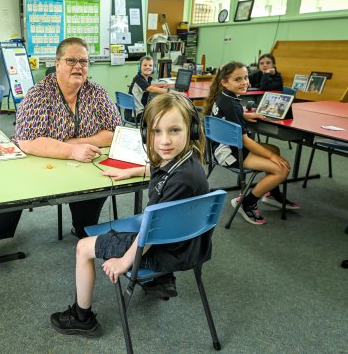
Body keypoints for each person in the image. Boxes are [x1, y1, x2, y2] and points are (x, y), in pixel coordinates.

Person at [50, 93, 211, 337]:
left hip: (168, 250)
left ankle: (81, 318)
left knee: (83, 247)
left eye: (174, 130)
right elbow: (158, 170)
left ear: (192, 130)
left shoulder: (179, 180)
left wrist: (124, 261)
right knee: (138, 221)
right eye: (156, 132)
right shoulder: (186, 161)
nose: (164, 140)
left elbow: (151, 230)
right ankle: (160, 281)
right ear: (147, 134)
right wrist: (133, 172)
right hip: (188, 243)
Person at [0, 37, 122, 263]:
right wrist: (72, 150)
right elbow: (28, 141)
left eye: (83, 61)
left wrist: (75, 143)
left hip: (83, 163)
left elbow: (114, 133)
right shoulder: (39, 94)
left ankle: (83, 227)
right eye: (71, 60)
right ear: (57, 63)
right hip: (34, 160)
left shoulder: (97, 93)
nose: (78, 66)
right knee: (15, 188)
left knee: (95, 187)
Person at [203, 62, 299, 225]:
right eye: (238, 79)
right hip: (230, 154)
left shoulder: (223, 97)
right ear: (225, 82)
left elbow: (227, 116)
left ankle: (270, 193)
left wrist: (245, 116)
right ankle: (246, 203)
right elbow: (245, 141)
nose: (244, 82)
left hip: (219, 149)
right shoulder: (232, 104)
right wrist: (272, 157)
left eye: (246, 77)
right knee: (282, 169)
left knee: (274, 148)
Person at [127, 55, 185, 123]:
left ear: (153, 68)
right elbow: (151, 89)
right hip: (136, 115)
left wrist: (162, 84)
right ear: (140, 67)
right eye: (145, 65)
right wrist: (173, 92)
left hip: (135, 112)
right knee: (164, 114)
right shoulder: (138, 79)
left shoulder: (144, 78)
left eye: (150, 65)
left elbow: (148, 85)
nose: (148, 67)